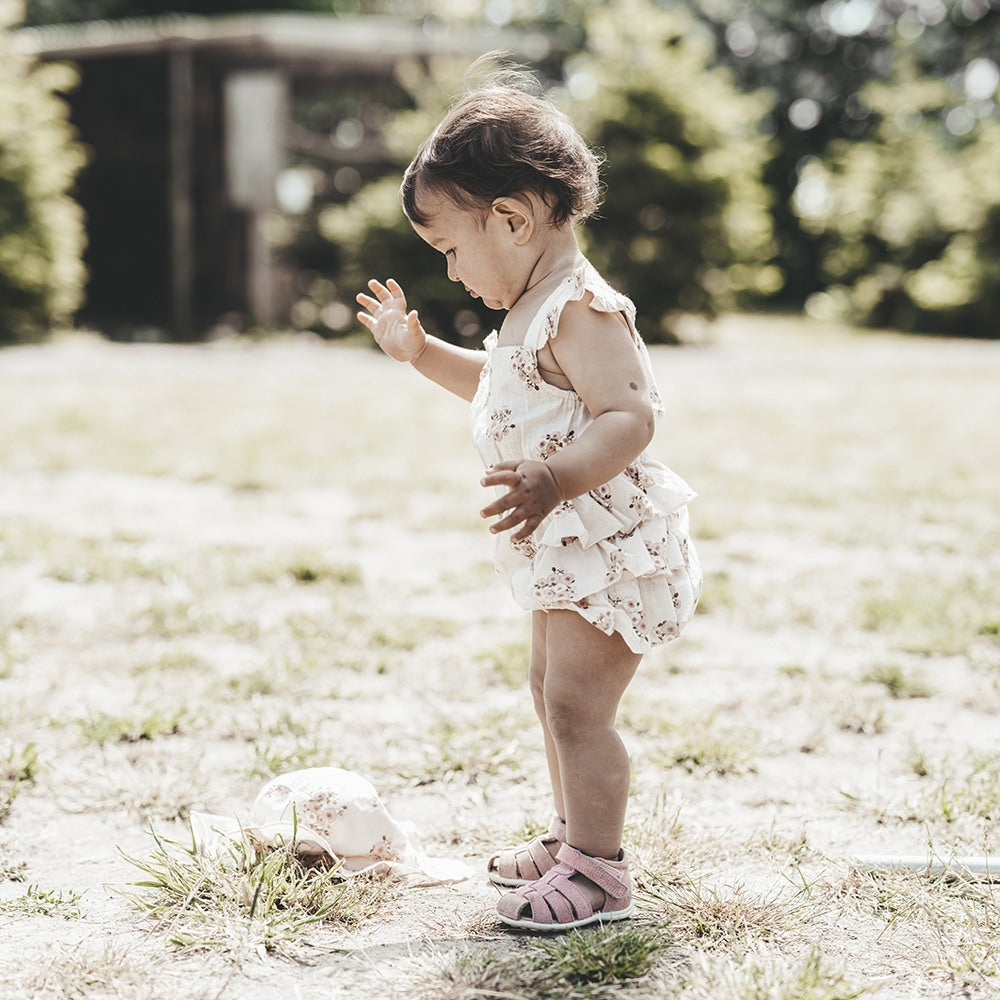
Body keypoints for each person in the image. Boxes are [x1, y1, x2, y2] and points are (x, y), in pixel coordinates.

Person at [356, 74, 701, 933]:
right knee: (550, 690)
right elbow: (499, 388)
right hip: (565, 549)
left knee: (580, 708)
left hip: (609, 547)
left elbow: (631, 416)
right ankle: (569, 837)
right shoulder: (528, 315)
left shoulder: (581, 309)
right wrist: (417, 350)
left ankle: (601, 873)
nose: (453, 270)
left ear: (512, 218)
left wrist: (553, 477)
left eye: (449, 250)